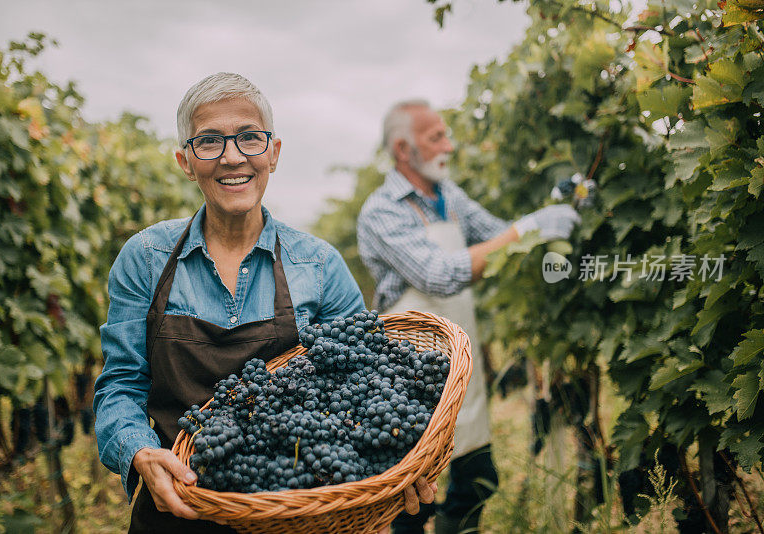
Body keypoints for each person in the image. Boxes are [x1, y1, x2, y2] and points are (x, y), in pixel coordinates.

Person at [93, 74, 434, 533]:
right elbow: (120, 386)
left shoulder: (319, 266)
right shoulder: (146, 259)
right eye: (209, 141)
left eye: (249, 138)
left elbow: (372, 386)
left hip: (301, 512)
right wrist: (139, 450)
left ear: (273, 152)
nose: (232, 156)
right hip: (179, 505)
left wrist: (397, 463)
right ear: (185, 162)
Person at [357, 99, 580, 534]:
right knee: (409, 502)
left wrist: (545, 214)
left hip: (461, 358)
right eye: (436, 136)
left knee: (478, 479)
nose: (450, 145)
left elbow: (501, 237)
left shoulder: (450, 196)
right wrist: (530, 228)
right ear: (404, 149)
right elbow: (438, 274)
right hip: (409, 372)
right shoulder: (381, 210)